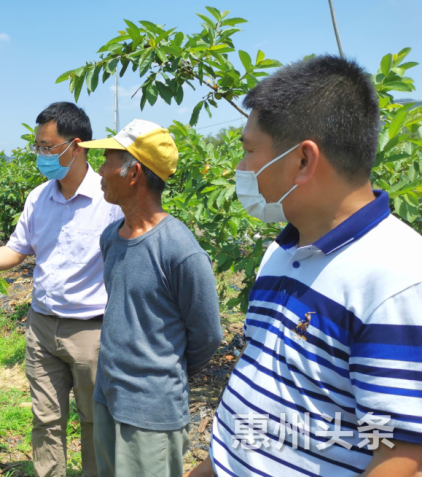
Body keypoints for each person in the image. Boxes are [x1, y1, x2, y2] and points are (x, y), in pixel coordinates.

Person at [188, 56, 422, 477]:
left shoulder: (396, 279)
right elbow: (263, 387)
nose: (240, 169)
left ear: (303, 161)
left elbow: (403, 457)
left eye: (248, 151)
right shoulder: (280, 253)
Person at [0, 102, 123, 477]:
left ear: (75, 146)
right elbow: (16, 250)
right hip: (42, 327)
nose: (41, 155)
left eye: (47, 147)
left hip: (91, 331)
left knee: (96, 421)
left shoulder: (110, 200)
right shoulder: (38, 197)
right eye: (38, 147)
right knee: (46, 420)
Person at [80, 119, 223, 477]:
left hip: (151, 413)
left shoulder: (179, 249)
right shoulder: (111, 237)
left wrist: (161, 372)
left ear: (133, 173)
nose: (99, 170)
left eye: (108, 159)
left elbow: (207, 335)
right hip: (108, 396)